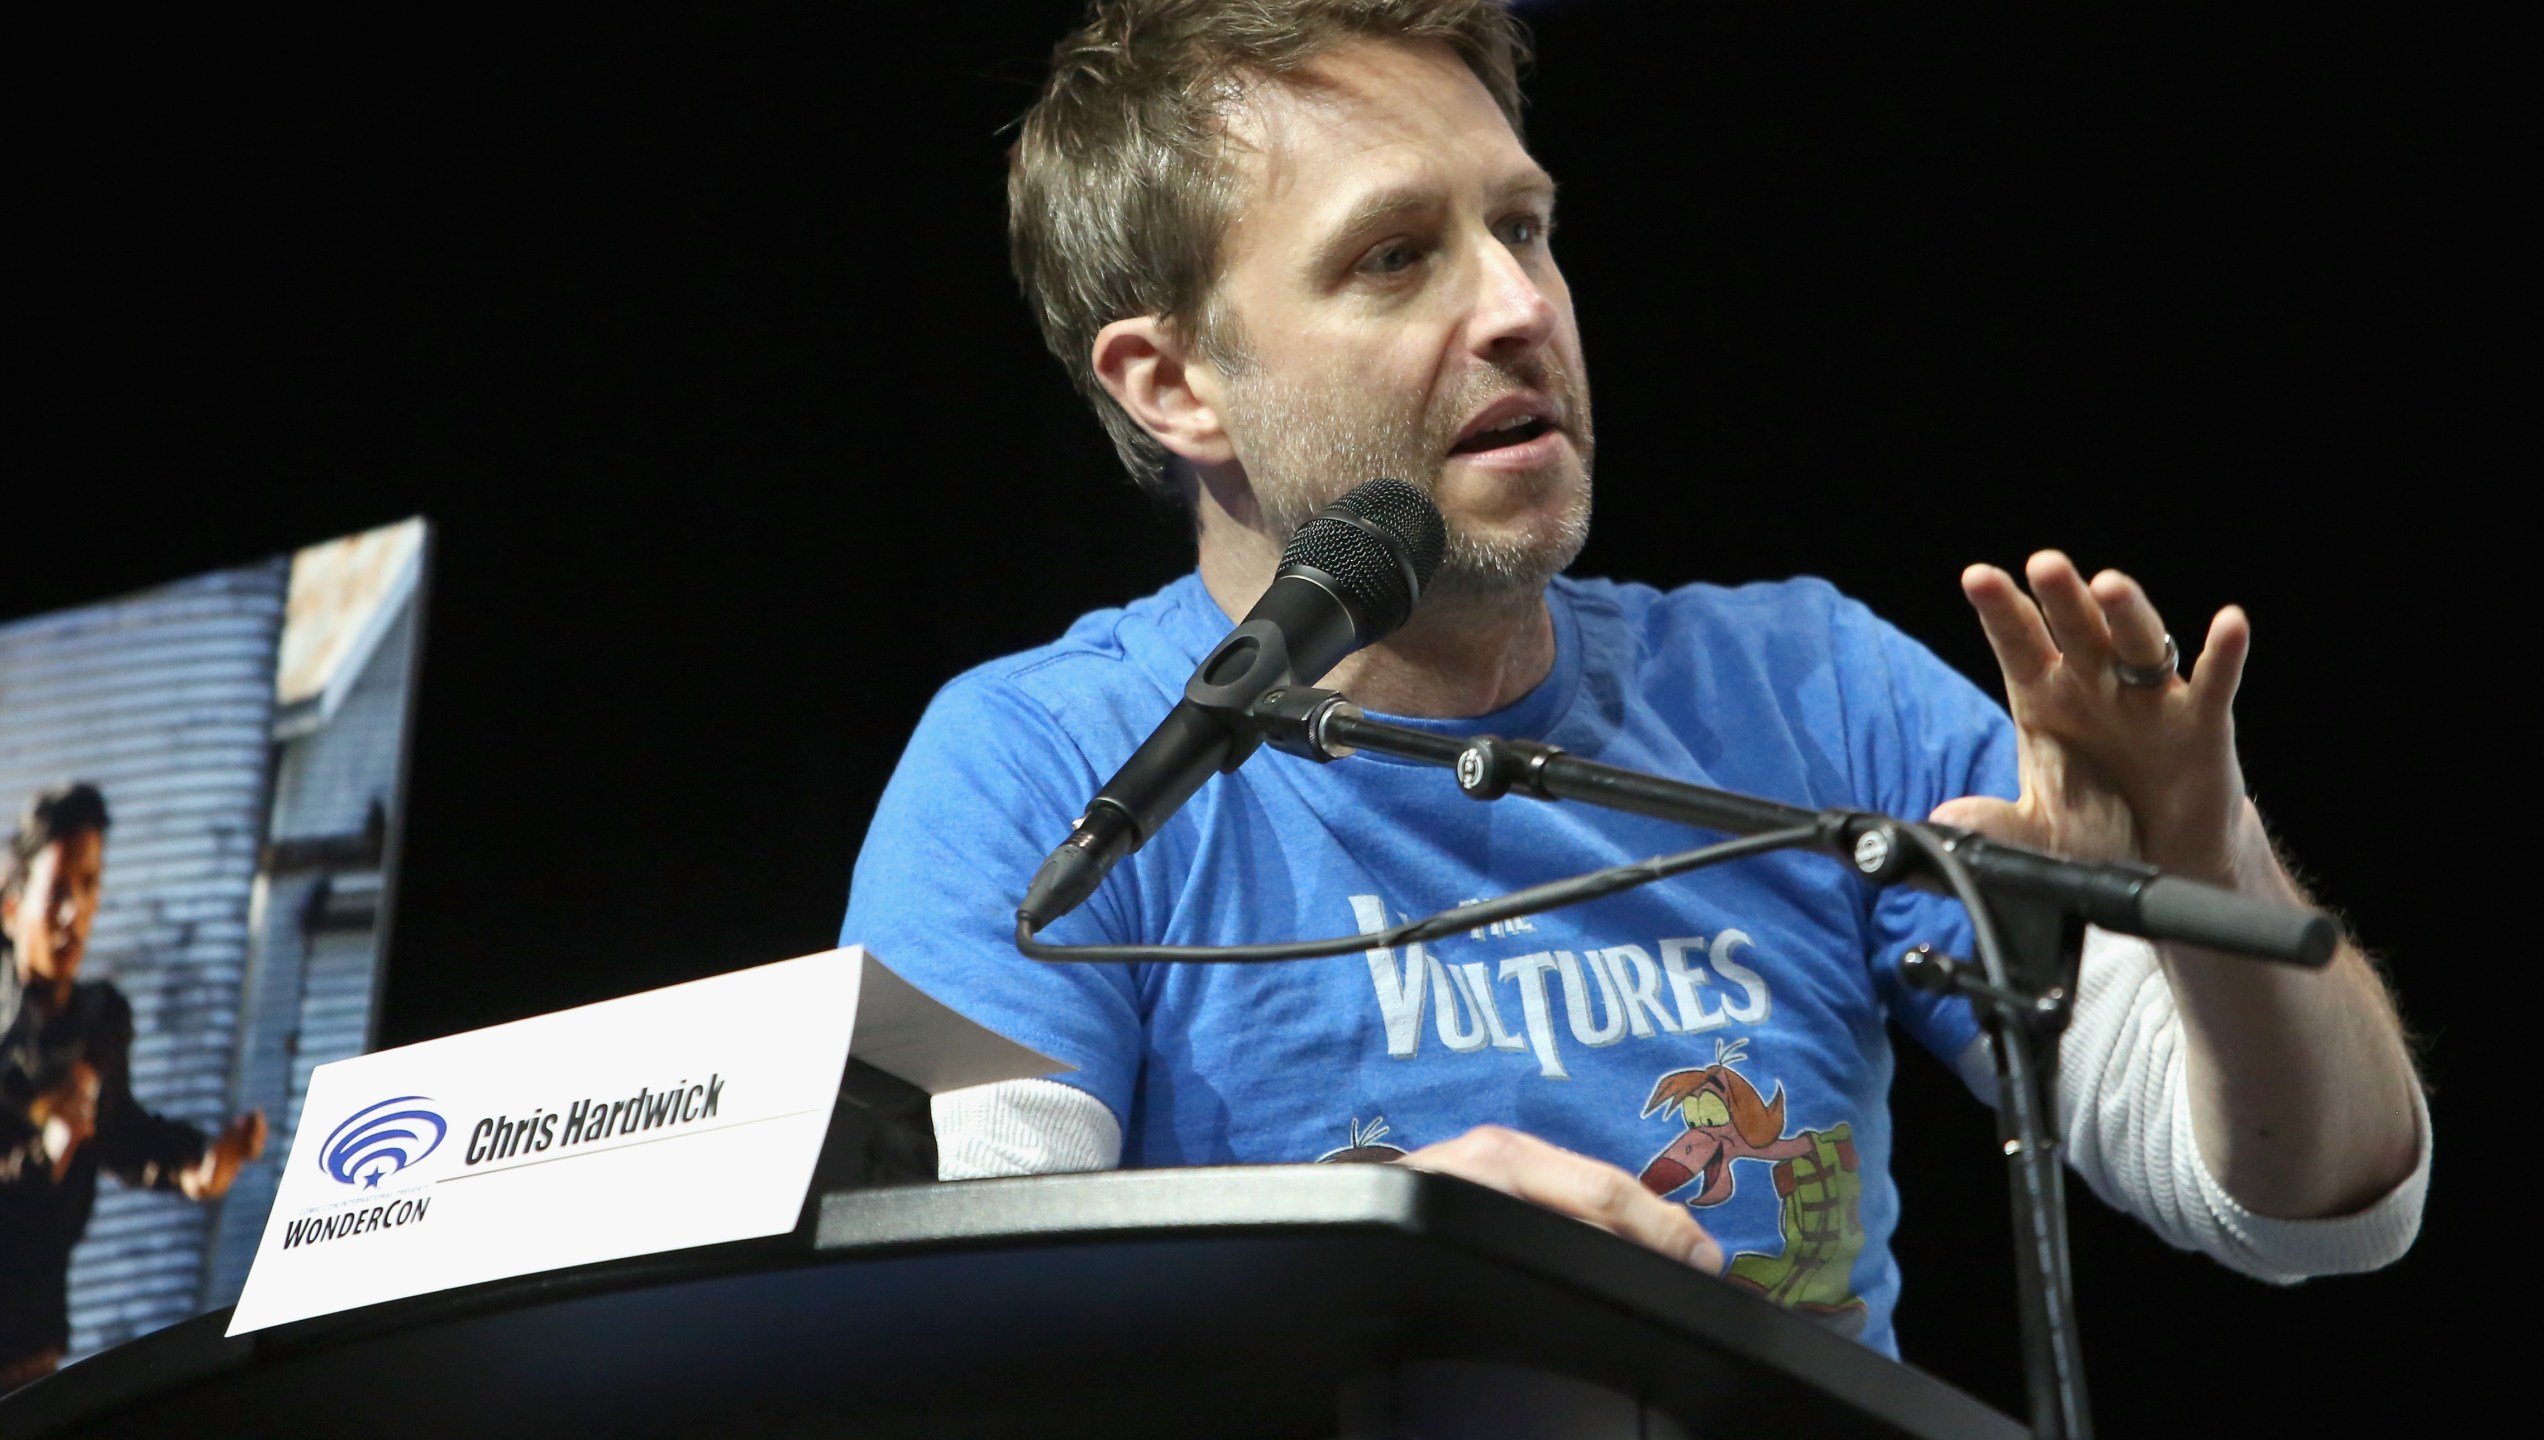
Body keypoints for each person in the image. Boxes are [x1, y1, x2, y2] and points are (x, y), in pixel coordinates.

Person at [840, 0, 2427, 1355]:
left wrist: (2207, 862)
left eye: (1522, 229)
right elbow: (959, 1323)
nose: (1521, 308)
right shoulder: (1050, 771)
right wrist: (1373, 1255)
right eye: (1398, 257)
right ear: (1176, 383)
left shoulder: (1810, 694)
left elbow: (2317, 1213)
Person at [0, 784, 267, 1389]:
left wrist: (194, 1164)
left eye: (90, 886)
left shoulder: (94, 1024)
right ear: (12, 907)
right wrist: (50, 1150)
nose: (76, 913)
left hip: (31, 1354)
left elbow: (119, 1133)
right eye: (59, 890)